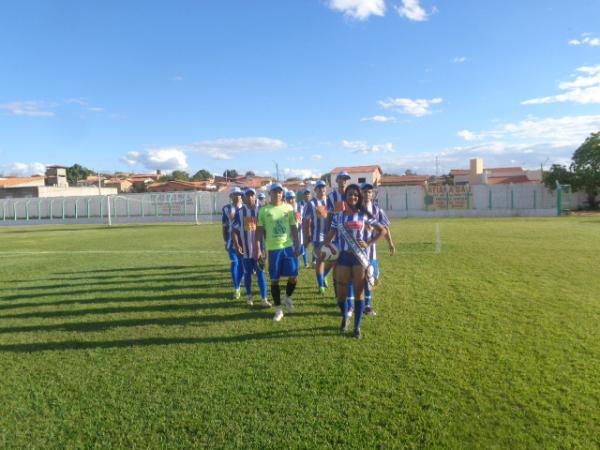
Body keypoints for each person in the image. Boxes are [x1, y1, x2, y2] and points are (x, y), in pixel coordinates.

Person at [321, 184, 386, 339]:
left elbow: (382, 230)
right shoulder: (339, 216)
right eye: (350, 194)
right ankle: (345, 316)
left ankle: (357, 327)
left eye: (356, 195)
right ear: (346, 197)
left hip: (359, 259)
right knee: (341, 295)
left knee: (359, 293)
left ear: (359, 197)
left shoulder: (364, 215)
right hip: (343, 258)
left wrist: (368, 243)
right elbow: (330, 236)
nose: (353, 197)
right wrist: (324, 249)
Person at [255, 183, 301, 322]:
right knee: (274, 280)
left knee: (294, 276)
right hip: (273, 250)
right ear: (270, 194)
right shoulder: (264, 210)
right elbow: (258, 233)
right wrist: (258, 249)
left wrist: (297, 245)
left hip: (288, 247)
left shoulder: (288, 208)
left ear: (282, 193)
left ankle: (287, 297)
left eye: (280, 192)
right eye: (275, 192)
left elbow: (293, 227)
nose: (278, 194)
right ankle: (278, 310)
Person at [360, 182, 395, 316]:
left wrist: (390, 243)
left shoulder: (377, 210)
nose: (367, 194)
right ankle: (356, 304)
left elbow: (385, 228)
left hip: (371, 250)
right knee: (357, 277)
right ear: (360, 193)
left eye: (369, 192)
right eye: (364, 192)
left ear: (373, 194)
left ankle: (367, 305)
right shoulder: (355, 209)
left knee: (372, 277)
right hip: (356, 250)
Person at [232, 188, 270, 307]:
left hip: (260, 250)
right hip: (246, 251)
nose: (249, 197)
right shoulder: (240, 212)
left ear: (255, 196)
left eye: (251, 195)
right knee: (247, 273)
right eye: (247, 195)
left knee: (261, 274)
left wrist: (266, 248)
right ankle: (249, 297)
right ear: (243, 198)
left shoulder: (262, 210)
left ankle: (264, 299)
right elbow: (234, 230)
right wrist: (237, 245)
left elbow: (267, 230)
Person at [327, 171, 354, 314]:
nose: (343, 181)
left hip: (350, 239)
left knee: (350, 270)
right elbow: (329, 217)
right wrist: (328, 237)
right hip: (336, 238)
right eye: (341, 179)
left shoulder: (353, 195)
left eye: (346, 179)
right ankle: (338, 296)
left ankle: (349, 301)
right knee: (335, 268)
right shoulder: (331, 197)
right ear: (336, 180)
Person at [303, 180, 331, 294]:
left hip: (330, 235)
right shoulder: (311, 204)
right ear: (315, 190)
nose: (322, 189)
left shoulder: (330, 202)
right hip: (317, 236)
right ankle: (321, 285)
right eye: (319, 188)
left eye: (323, 187)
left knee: (333, 259)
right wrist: (307, 235)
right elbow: (306, 221)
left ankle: (324, 275)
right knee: (320, 260)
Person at [222, 187, 244, 299]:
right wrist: (225, 241)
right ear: (231, 196)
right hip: (231, 241)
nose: (237, 196)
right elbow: (225, 226)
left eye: (239, 194)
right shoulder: (226, 208)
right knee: (235, 263)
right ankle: (237, 288)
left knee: (242, 265)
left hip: (245, 241)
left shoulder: (246, 208)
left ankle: (241, 280)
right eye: (234, 194)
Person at [285, 190, 308, 268]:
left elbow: (304, 220)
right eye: (288, 198)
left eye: (292, 198)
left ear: (295, 198)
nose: (291, 200)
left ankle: (301, 265)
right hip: (288, 236)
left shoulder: (300, 207)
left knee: (300, 252)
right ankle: (294, 268)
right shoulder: (284, 209)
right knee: (291, 253)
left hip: (299, 235)